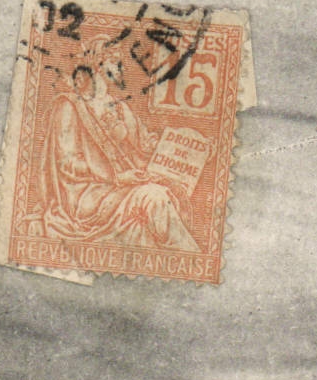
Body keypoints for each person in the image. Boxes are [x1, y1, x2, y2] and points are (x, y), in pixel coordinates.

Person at [39, 63, 200, 252]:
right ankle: (190, 256)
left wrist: (190, 147)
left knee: (167, 193)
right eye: (114, 60)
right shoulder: (70, 105)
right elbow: (67, 163)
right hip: (88, 194)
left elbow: (146, 145)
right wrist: (115, 176)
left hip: (126, 184)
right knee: (155, 197)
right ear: (96, 65)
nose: (121, 66)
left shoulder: (120, 107)